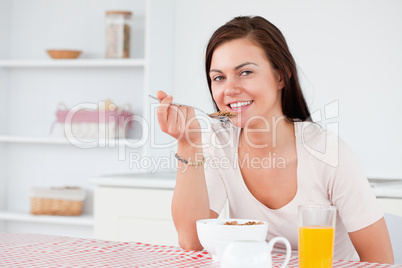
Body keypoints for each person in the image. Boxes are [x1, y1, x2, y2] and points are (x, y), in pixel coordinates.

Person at [155, 16, 394, 263]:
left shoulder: (327, 152)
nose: (230, 89)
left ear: (281, 76)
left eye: (245, 72)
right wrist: (187, 143)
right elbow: (191, 240)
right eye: (219, 77)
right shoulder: (220, 143)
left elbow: (381, 261)